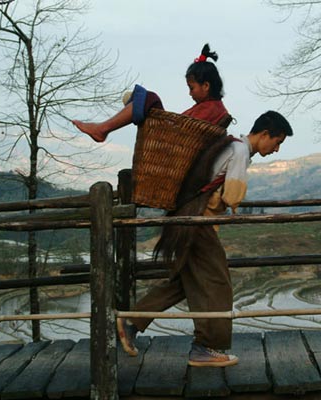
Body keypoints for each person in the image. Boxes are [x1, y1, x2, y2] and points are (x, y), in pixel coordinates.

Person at [116, 110, 294, 368]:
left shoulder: (230, 144)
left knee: (183, 282)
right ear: (265, 134)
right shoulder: (241, 152)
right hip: (200, 224)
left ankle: (131, 322)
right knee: (218, 282)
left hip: (187, 218)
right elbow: (233, 196)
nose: (276, 150)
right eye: (277, 142)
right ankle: (205, 347)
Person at [71, 43, 230, 142]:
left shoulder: (212, 108)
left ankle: (102, 129)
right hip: (173, 136)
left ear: (206, 85)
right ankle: (122, 115)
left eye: (192, 88)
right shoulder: (210, 106)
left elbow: (185, 130)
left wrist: (163, 121)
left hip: (172, 140)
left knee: (148, 98)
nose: (190, 94)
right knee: (138, 99)